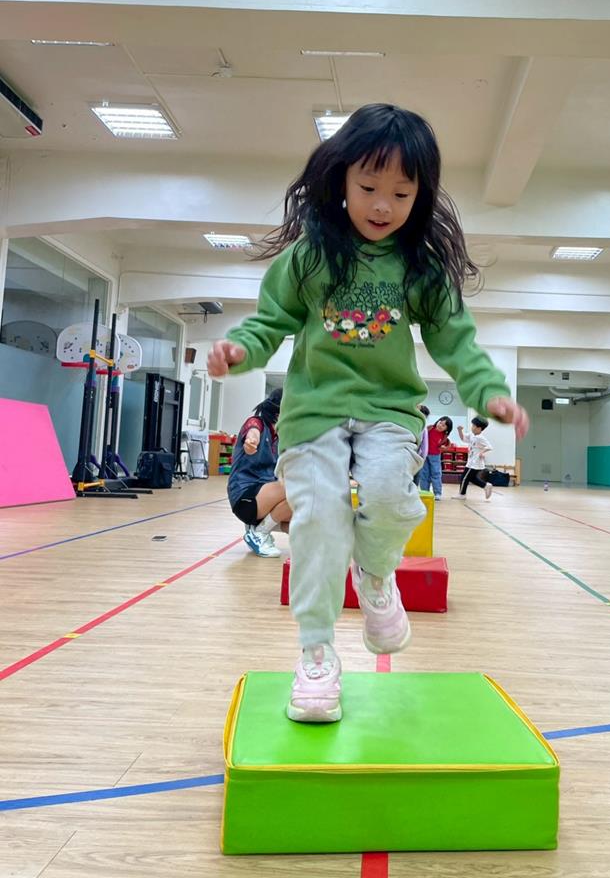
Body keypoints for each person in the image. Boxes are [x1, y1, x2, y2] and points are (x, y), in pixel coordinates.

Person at [208, 103, 529, 724]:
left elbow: (455, 339)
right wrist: (239, 350)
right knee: (318, 521)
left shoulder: (418, 265)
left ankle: (376, 576)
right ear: (341, 181)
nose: (383, 206)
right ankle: (316, 654)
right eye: (369, 188)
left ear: (421, 195)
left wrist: (487, 389)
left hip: (389, 410)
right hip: (315, 412)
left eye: (401, 194)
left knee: (388, 497)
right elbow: (269, 322)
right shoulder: (310, 257)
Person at [227, 389, 291, 558]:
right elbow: (252, 431)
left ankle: (258, 528)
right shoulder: (257, 423)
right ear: (279, 412)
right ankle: (260, 532)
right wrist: (251, 441)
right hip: (245, 497)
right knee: (298, 488)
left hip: (263, 500)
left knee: (303, 518)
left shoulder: (281, 437)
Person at [454, 416, 494, 500]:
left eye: (473, 426)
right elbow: (463, 439)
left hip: (475, 463)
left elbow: (489, 447)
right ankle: (486, 485)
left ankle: (462, 494)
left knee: (464, 477)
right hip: (471, 461)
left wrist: (482, 452)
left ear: (479, 428)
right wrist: (460, 430)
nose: (472, 427)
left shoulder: (481, 438)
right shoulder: (472, 435)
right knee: (471, 478)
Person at [419, 415, 453, 499]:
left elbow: (447, 444)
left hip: (435, 456)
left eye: (443, 425)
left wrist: (444, 447)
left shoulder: (444, 436)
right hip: (424, 455)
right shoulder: (429, 428)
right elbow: (421, 436)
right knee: (424, 474)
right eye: (440, 423)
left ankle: (437, 493)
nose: (440, 425)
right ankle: (424, 492)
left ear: (446, 429)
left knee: (436, 474)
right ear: (437, 421)